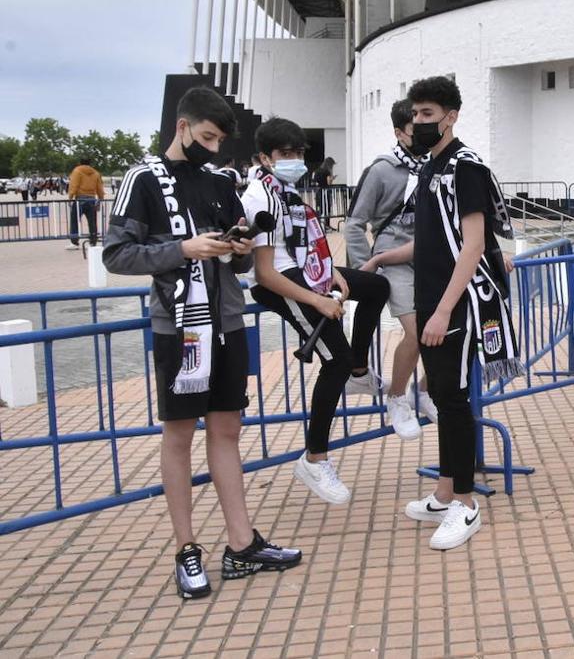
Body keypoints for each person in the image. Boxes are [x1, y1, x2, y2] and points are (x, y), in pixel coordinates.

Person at [103, 86, 300, 599]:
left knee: (228, 431)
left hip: (228, 321)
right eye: (207, 137)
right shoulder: (142, 178)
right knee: (179, 435)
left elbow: (238, 261)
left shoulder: (219, 179)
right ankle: (186, 549)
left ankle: (241, 544)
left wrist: (236, 248)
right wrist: (182, 249)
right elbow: (116, 254)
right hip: (179, 325)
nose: (213, 149)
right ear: (183, 126)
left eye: (220, 140)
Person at [371, 75, 521, 551]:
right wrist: (383, 258)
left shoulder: (465, 167)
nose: (418, 123)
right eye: (415, 115)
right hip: (431, 296)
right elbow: (433, 241)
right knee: (443, 397)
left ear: (451, 116)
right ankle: (443, 491)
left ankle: (466, 503)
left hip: (458, 304)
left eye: (428, 115)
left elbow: (474, 245)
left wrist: (442, 311)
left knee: (454, 402)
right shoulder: (430, 168)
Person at [243, 117, 390, 506]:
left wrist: (333, 275)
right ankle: (315, 458)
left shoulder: (287, 191)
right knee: (334, 361)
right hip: (281, 282)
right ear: (265, 157)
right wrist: (318, 298)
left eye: (299, 153)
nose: (294, 160)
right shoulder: (261, 197)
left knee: (376, 286)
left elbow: (306, 249)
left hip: (303, 272)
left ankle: (360, 371)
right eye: (285, 154)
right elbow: (265, 273)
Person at [346, 99, 433, 440]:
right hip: (390, 258)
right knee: (417, 330)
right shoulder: (381, 170)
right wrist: (363, 272)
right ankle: (397, 397)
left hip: (428, 258)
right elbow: (354, 223)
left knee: (448, 327)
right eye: (416, 128)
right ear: (399, 132)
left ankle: (425, 391)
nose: (424, 132)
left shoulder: (435, 165)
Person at [67, 157, 104, 247]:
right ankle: (93, 241)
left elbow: (74, 185)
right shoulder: (96, 173)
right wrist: (100, 199)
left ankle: (74, 242)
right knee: (92, 222)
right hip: (92, 199)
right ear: (90, 163)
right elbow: (100, 188)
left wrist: (70, 198)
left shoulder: (77, 171)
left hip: (80, 199)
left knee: (75, 221)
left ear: (80, 163)